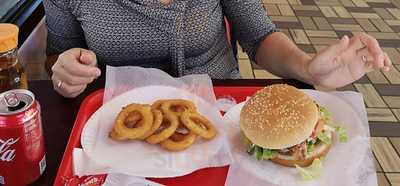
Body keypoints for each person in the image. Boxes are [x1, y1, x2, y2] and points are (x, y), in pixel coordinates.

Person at [44, 0, 392, 98]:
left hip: (220, 107)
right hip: (117, 116)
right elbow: (58, 54)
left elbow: (259, 37)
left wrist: (307, 67)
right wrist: (64, 73)